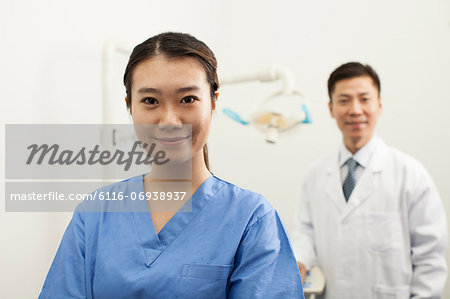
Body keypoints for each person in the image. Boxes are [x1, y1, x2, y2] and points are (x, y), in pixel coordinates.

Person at [38, 32, 303, 298]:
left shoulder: (251, 219)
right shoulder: (95, 214)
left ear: (213, 102)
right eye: (150, 101)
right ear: (130, 106)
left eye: (187, 99)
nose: (169, 121)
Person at [292, 62, 448, 298]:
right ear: (331, 108)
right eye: (344, 100)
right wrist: (300, 260)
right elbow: (305, 231)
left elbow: (430, 259)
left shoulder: (411, 174)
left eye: (364, 99)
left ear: (379, 105)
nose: (355, 110)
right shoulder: (315, 174)